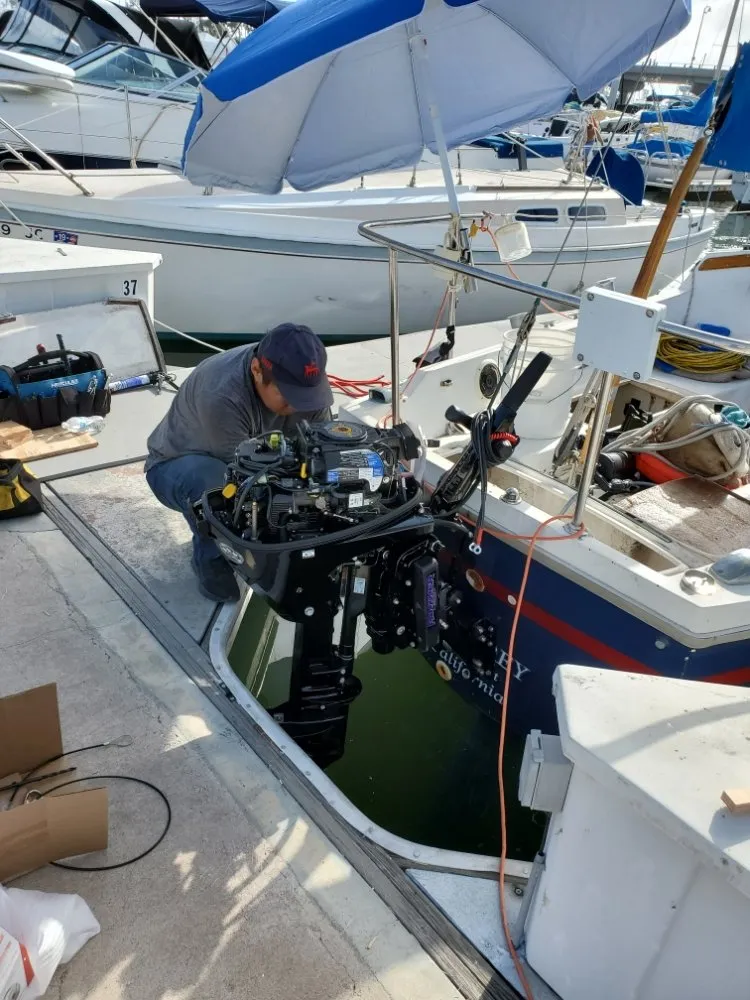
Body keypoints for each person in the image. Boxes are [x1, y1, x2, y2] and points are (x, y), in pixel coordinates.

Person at [145, 323, 333, 602]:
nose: (299, 406)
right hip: (179, 465)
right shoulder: (221, 394)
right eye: (289, 397)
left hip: (261, 452)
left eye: (306, 396)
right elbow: (246, 477)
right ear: (257, 371)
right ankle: (210, 560)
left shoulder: (302, 379)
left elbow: (322, 448)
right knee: (220, 490)